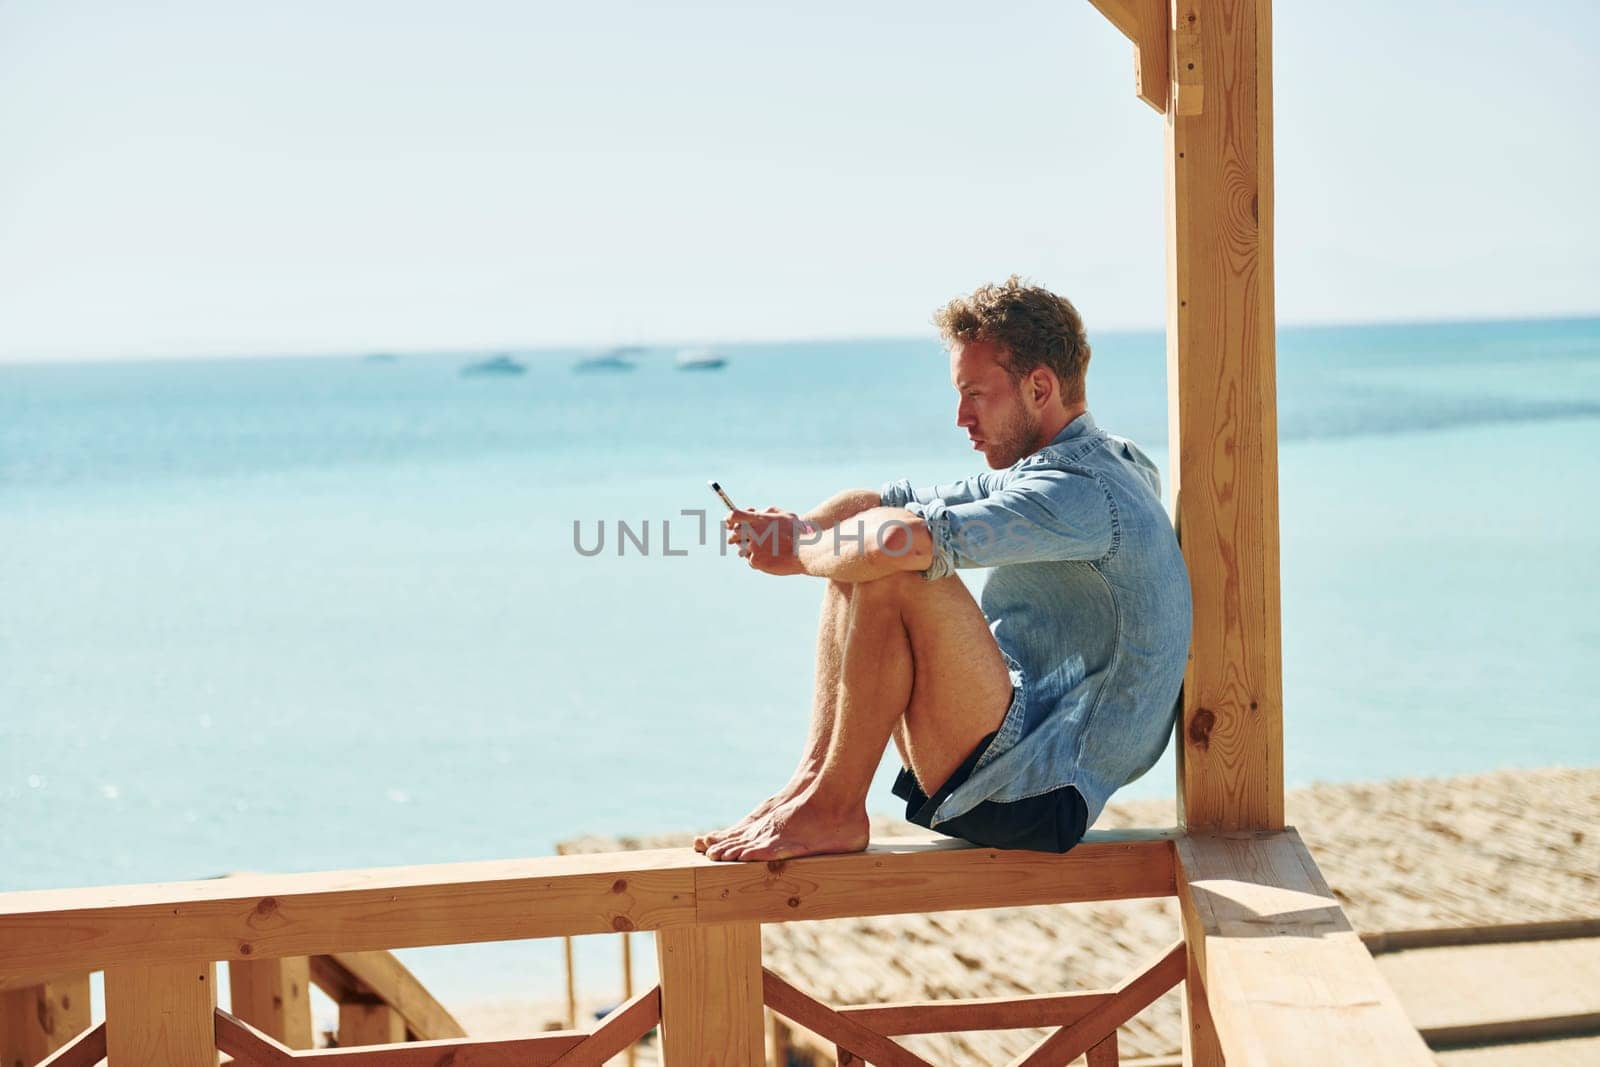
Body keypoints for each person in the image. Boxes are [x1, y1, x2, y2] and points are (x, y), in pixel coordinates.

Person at [694, 276, 1191, 862]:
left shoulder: (1082, 493)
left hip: (1042, 787)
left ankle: (832, 810)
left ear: (1039, 387)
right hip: (1012, 738)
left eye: (975, 394)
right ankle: (812, 783)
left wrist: (799, 556)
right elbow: (878, 508)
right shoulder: (1091, 459)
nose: (960, 417)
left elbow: (897, 545)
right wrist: (802, 528)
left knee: (896, 568)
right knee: (868, 524)